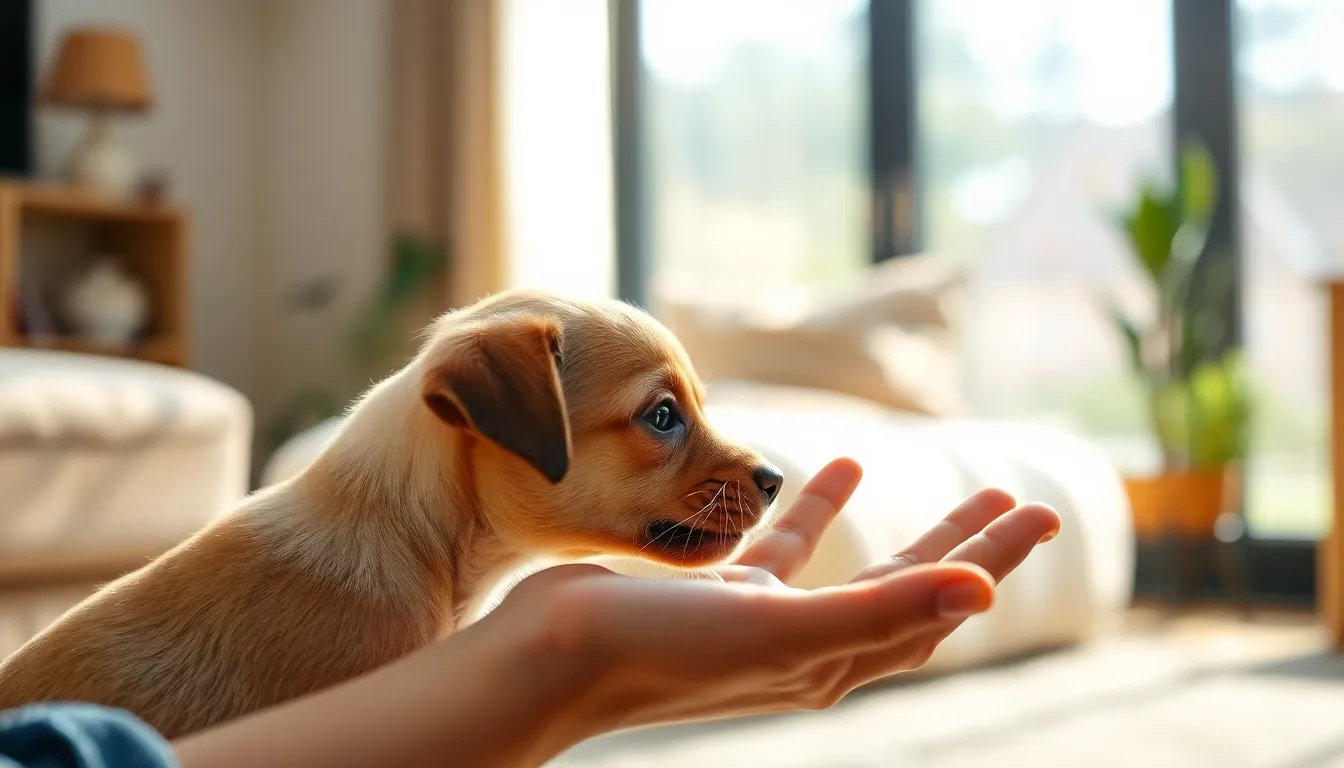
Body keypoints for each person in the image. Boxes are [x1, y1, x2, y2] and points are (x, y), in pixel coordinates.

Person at [0, 458, 1060, 768]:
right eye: (659, 420)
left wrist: (547, 675)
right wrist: (550, 675)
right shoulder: (335, 607)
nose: (748, 472)